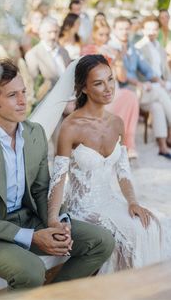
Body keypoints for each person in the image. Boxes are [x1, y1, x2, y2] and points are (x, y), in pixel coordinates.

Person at [0, 58, 115, 289]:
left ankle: (54, 296)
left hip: (27, 217)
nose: (23, 101)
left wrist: (56, 222)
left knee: (102, 242)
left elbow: (41, 189)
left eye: (23, 92)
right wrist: (30, 236)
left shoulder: (35, 134)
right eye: (12, 96)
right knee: (32, 271)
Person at [46, 54, 171, 273]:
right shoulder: (70, 127)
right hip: (83, 209)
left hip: (110, 200)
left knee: (152, 225)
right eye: (98, 83)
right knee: (130, 234)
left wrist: (132, 202)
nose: (108, 88)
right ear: (84, 88)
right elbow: (58, 179)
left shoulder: (116, 123)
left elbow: (123, 172)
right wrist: (53, 219)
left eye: (110, 79)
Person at [109, 16, 171, 159]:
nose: (124, 31)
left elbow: (147, 70)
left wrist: (157, 80)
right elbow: (120, 76)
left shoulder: (132, 48)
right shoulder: (112, 48)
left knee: (157, 106)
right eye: (121, 29)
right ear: (115, 30)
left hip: (138, 90)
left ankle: (163, 147)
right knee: (160, 92)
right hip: (124, 90)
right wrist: (140, 84)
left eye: (126, 28)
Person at [81, 20, 139, 158]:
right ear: (94, 35)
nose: (104, 38)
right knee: (123, 97)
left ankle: (128, 143)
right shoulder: (88, 50)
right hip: (96, 93)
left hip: (114, 90)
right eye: (101, 34)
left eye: (107, 34)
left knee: (130, 96)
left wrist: (118, 60)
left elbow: (123, 78)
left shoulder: (114, 50)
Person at [25, 16, 71, 102]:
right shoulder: (33, 55)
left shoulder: (64, 52)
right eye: (49, 32)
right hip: (47, 102)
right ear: (41, 34)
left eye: (56, 32)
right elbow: (33, 86)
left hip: (69, 98)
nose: (53, 36)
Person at [136, 15, 171, 89]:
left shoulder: (160, 47)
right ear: (143, 30)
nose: (152, 32)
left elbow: (166, 69)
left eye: (155, 29)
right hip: (149, 84)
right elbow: (141, 73)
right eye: (148, 29)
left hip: (163, 82)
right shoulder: (139, 47)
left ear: (158, 30)